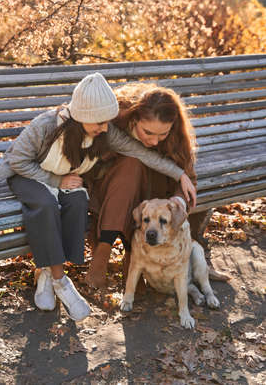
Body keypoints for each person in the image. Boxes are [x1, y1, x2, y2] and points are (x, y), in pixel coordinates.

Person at [0, 73, 195, 321]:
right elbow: (17, 162)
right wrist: (57, 182)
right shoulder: (49, 125)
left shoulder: (103, 131)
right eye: (100, 123)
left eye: (107, 122)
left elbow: (140, 153)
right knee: (48, 203)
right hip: (29, 175)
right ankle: (58, 278)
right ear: (84, 117)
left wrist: (180, 174)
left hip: (69, 179)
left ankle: (50, 272)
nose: (105, 128)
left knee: (78, 200)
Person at [86, 82, 210, 289]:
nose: (154, 141)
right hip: (108, 189)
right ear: (135, 119)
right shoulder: (113, 122)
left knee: (146, 189)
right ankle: (103, 251)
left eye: (163, 134)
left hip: (151, 196)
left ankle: (133, 257)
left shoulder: (177, 137)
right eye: (148, 132)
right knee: (131, 164)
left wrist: (176, 202)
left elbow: (189, 180)